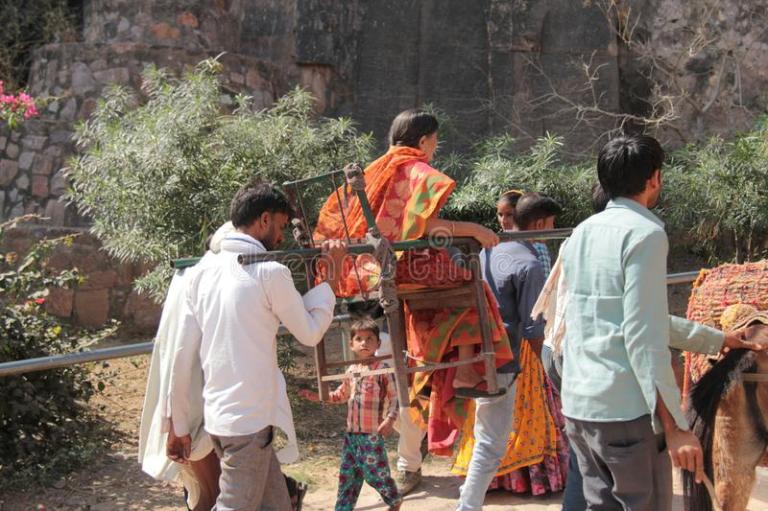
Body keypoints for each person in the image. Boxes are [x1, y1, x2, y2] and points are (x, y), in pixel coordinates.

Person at [558, 135, 761, 510]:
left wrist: (717, 339)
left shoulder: (580, 234)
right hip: (626, 412)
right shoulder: (645, 234)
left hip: (579, 407)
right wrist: (677, 428)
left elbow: (630, 317)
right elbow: (642, 333)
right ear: (654, 178)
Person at [314, 109, 514, 465]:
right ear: (423, 140)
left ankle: (453, 369)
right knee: (474, 287)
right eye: (434, 142)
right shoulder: (416, 169)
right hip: (410, 266)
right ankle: (466, 367)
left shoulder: (378, 167)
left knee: (457, 289)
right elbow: (425, 226)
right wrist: (474, 229)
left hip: (377, 269)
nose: (434, 149)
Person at [167, 183, 347, 510]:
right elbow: (309, 332)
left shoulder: (200, 273)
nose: (281, 237)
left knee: (276, 505)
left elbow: (181, 356)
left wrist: (178, 424)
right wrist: (331, 279)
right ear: (264, 220)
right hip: (247, 426)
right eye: (280, 226)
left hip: (223, 421)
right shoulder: (270, 272)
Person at [452, 193, 566, 510]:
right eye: (551, 224)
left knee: (484, 434)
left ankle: (467, 498)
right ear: (540, 224)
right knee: (492, 443)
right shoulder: (530, 264)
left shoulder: (487, 251)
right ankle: (467, 506)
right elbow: (533, 328)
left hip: (474, 353)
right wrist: (553, 370)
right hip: (502, 359)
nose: (551, 229)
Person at [139, 222, 234, 511]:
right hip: (197, 416)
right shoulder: (198, 281)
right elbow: (183, 363)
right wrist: (181, 425)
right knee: (213, 495)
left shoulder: (192, 280)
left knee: (217, 494)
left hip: (199, 414)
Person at [301, 317, 402, 510]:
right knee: (348, 476)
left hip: (371, 434)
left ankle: (394, 499)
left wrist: (390, 420)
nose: (364, 343)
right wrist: (318, 397)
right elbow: (340, 395)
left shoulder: (382, 369)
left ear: (378, 344)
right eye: (359, 339)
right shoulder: (352, 370)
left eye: (369, 339)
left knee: (375, 473)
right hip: (351, 435)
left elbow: (395, 397)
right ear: (351, 344)